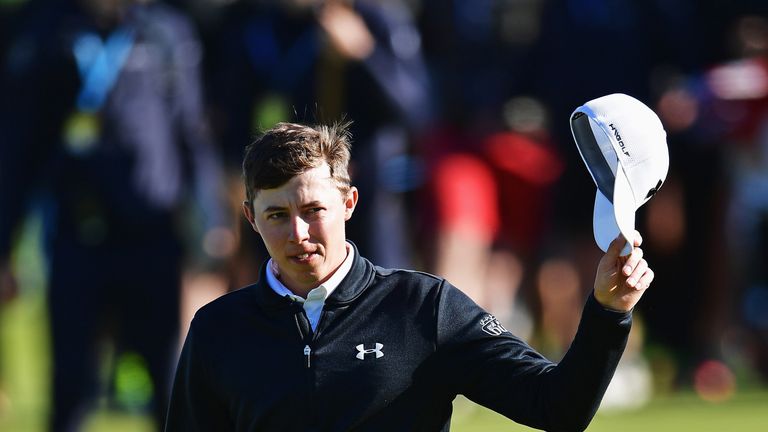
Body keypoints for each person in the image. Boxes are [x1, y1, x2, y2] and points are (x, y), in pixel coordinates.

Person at [165, 121, 655, 431]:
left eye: (314, 209)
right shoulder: (218, 329)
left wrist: (608, 313)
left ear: (349, 203)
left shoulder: (424, 308)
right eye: (276, 215)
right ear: (251, 218)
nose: (298, 232)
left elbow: (557, 409)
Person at [0, 0, 232, 429]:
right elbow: (19, 146)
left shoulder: (165, 30)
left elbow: (192, 132)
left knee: (168, 385)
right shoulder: (47, 28)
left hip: (153, 234)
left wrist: (211, 219)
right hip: (77, 235)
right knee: (70, 385)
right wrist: (5, 244)